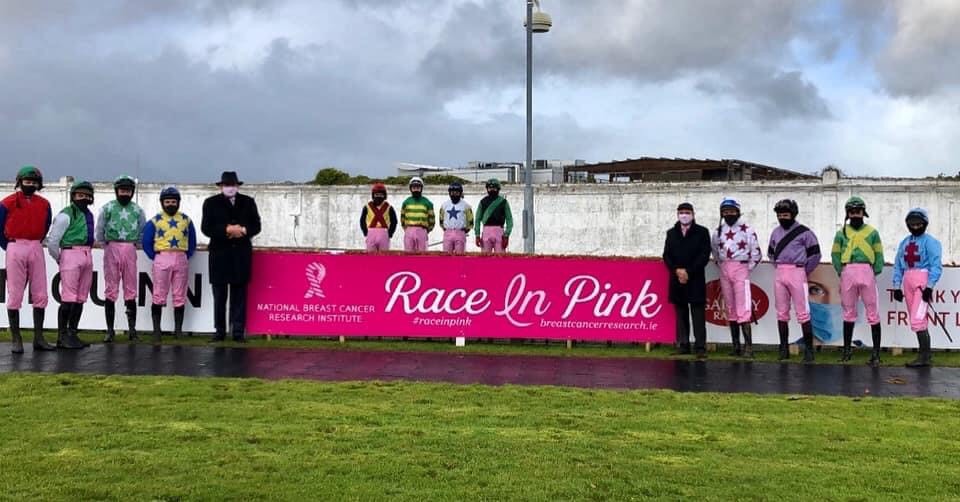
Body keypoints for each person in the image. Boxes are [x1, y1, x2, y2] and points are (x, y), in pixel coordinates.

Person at [201, 171, 262, 343]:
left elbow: (256, 225)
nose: (230, 188)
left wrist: (243, 230)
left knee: (239, 296)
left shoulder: (248, 202)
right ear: (221, 186)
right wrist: (226, 230)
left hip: (241, 255)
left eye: (233, 185)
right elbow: (206, 228)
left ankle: (238, 331)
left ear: (238, 186)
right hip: (219, 255)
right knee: (219, 296)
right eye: (227, 185)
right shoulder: (210, 203)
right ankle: (219, 331)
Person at [0, 166, 55, 353]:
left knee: (40, 292)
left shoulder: (45, 204)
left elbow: (47, 224)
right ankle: (16, 338)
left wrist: (36, 241)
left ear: (38, 184)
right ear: (20, 182)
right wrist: (8, 246)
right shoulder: (7, 202)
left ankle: (39, 337)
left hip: (35, 246)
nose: (30, 185)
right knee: (15, 293)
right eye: (27, 182)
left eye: (33, 182)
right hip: (15, 245)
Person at [831, 196, 884, 366]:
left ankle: (876, 353)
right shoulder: (841, 233)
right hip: (848, 270)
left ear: (863, 213)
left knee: (872, 311)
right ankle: (847, 350)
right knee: (848, 311)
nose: (855, 215)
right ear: (848, 213)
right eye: (852, 212)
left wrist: (875, 270)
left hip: (866, 269)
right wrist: (841, 270)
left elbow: (879, 253)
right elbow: (835, 253)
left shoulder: (872, 232)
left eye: (858, 212)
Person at [767, 199, 821, 363]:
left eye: (786, 214)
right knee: (781, 312)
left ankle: (809, 351)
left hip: (798, 271)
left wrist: (804, 270)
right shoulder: (775, 232)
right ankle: (783, 349)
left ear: (793, 214)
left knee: (803, 312)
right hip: (780, 271)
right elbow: (770, 252)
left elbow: (815, 254)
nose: (783, 217)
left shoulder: (805, 232)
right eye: (780, 215)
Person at [142, 187, 197, 344]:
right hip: (162, 257)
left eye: (173, 202)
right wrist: (156, 257)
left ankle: (178, 331)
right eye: (167, 202)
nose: (171, 204)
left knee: (180, 295)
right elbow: (146, 242)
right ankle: (156, 331)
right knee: (159, 294)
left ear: (178, 202)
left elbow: (192, 241)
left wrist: (186, 255)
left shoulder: (186, 220)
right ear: (162, 203)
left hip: (181, 257)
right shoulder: (154, 221)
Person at [47, 180, 97, 350]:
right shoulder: (66, 214)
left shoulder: (89, 214)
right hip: (70, 252)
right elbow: (53, 240)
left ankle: (72, 334)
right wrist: (60, 258)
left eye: (87, 196)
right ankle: (62, 336)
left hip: (87, 253)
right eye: (80, 195)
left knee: (81, 297)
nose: (84, 198)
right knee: (68, 296)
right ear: (73, 196)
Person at [95, 175, 146, 342]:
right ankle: (109, 330)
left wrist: (135, 245)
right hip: (112, 247)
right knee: (111, 289)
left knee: (131, 289)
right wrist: (106, 245)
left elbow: (143, 231)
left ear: (132, 192)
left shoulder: (138, 210)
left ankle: (132, 330)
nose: (125, 193)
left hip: (130, 248)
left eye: (128, 191)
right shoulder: (107, 208)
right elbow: (99, 229)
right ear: (116, 191)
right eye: (122, 190)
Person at [711, 197, 761, 358]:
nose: (729, 214)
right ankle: (736, 346)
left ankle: (749, 347)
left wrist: (746, 269)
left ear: (738, 212)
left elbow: (756, 253)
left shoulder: (748, 229)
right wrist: (723, 266)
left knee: (744, 307)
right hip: (725, 268)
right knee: (730, 308)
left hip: (741, 267)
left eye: (732, 211)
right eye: (725, 212)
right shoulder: (718, 231)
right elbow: (715, 252)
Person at [892, 208, 942, 368]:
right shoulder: (904, 243)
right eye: (912, 224)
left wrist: (930, 286)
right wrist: (896, 286)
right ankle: (925, 355)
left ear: (924, 224)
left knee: (918, 318)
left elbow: (936, 266)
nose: (915, 227)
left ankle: (924, 357)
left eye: (918, 223)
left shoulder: (931, 242)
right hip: (907, 279)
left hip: (922, 280)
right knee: (916, 319)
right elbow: (898, 265)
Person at [662, 202, 712, 359]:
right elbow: (666, 255)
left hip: (695, 277)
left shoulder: (702, 232)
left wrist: (689, 272)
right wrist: (677, 271)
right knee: (680, 313)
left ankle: (700, 347)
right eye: (681, 212)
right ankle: (683, 344)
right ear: (677, 214)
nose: (684, 215)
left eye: (687, 212)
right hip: (677, 278)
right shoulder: (671, 233)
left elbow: (704, 254)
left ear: (693, 214)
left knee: (698, 314)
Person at [474, 178, 513, 253]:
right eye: (490, 188)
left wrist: (506, 235)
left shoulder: (503, 202)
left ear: (498, 189)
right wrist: (477, 235)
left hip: (499, 231)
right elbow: (477, 219)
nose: (492, 190)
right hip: (486, 231)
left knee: (500, 258)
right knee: (485, 259)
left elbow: (509, 219)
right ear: (487, 189)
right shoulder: (482, 202)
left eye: (494, 188)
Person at [400, 177, 435, 252]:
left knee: (422, 254)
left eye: (418, 187)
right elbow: (402, 218)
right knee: (408, 253)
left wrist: (426, 230)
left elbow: (431, 219)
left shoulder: (427, 203)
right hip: (409, 230)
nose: (416, 189)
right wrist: (407, 229)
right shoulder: (406, 202)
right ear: (411, 188)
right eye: (414, 187)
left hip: (422, 230)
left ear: (421, 188)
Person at [359, 182, 397, 252]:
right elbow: (362, 220)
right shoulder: (367, 207)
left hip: (384, 233)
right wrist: (365, 232)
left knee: (384, 255)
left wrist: (390, 233)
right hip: (371, 232)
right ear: (373, 195)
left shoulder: (389, 207)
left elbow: (394, 221)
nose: (378, 197)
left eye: (381, 195)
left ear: (384, 196)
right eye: (376, 194)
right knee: (370, 255)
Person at [439, 182, 473, 254]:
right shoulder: (444, 205)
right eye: (452, 193)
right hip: (448, 232)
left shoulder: (466, 206)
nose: (454, 194)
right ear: (449, 193)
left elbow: (470, 220)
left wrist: (466, 230)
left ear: (460, 193)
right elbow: (441, 219)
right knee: (447, 254)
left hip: (460, 232)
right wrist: (445, 228)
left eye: (457, 193)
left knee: (460, 254)